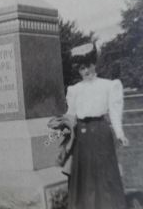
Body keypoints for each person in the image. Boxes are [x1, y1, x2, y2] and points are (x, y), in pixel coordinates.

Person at [49, 43, 129, 209]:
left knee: (105, 175)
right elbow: (71, 116)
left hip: (100, 132)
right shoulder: (74, 90)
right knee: (84, 178)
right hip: (82, 137)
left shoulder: (108, 85)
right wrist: (58, 137)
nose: (86, 71)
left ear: (94, 65)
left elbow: (114, 111)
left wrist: (120, 134)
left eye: (88, 67)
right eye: (81, 68)